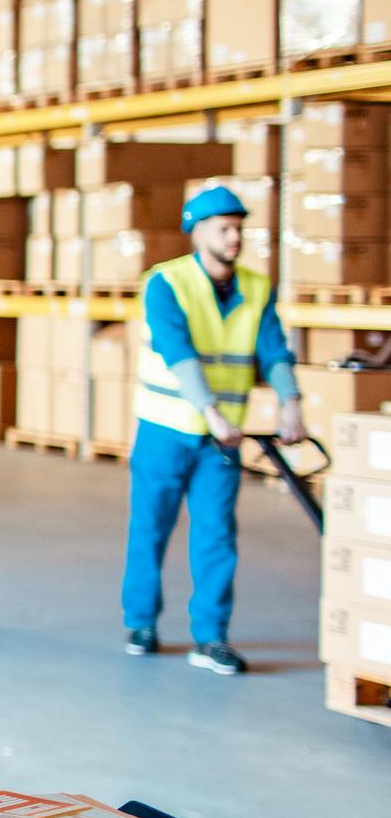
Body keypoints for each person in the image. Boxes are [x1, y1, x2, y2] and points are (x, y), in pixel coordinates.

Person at [121, 184, 306, 676]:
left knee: (217, 536)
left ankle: (211, 637)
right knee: (150, 529)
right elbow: (176, 351)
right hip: (165, 429)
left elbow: (275, 350)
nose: (234, 237)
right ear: (196, 231)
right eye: (224, 228)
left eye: (239, 228)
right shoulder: (167, 283)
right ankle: (141, 623)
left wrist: (292, 404)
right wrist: (214, 413)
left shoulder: (256, 287)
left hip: (219, 442)